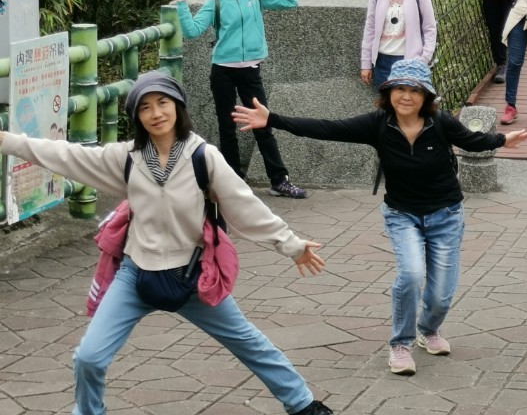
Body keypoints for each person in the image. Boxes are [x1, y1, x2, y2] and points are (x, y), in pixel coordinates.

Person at [0, 73, 332, 415]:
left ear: (177, 106)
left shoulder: (204, 157)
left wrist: (290, 244)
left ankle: (303, 405)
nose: (156, 113)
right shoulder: (127, 158)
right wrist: (7, 140)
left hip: (192, 277)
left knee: (248, 342)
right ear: (138, 117)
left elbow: (244, 206)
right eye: (145, 107)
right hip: (136, 275)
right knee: (89, 357)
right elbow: (65, 156)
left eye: (163, 103)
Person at [232, 59, 527, 375]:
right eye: (399, 89)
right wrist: (272, 119)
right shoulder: (378, 124)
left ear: (426, 96)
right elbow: (328, 128)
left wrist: (502, 140)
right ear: (388, 93)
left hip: (445, 215)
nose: (406, 96)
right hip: (403, 216)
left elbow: (472, 140)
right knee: (411, 275)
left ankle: (428, 331)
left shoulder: (440, 123)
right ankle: (400, 344)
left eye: (414, 91)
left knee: (441, 295)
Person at [173, 0, 306, 198]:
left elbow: (290, 1)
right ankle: (233, 181)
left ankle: (279, 180)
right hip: (222, 71)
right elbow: (191, 31)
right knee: (227, 127)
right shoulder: (215, 2)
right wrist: (182, 3)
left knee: (262, 123)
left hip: (251, 71)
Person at [361, 0, 437, 90]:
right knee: (386, 108)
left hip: (410, 62)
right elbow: (369, 29)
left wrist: (423, 60)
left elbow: (429, 28)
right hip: (382, 61)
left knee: (408, 107)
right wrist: (366, 64)